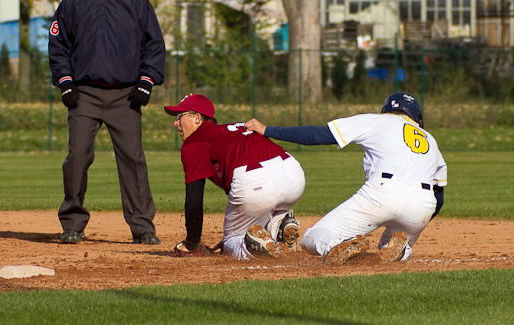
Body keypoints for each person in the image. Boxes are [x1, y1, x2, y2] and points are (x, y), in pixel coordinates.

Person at [48, 0, 166, 245]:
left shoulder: (136, 0)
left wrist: (146, 81)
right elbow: (58, 47)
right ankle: (72, 224)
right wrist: (65, 82)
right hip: (84, 94)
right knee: (77, 157)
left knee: (132, 160)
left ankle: (142, 227)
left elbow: (154, 46)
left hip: (125, 95)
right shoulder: (73, 2)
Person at [245, 92, 447, 265]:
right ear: (417, 118)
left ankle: (337, 245)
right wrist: (416, 220)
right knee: (389, 248)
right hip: (423, 203)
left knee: (311, 237)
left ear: (387, 111)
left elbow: (318, 135)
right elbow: (440, 198)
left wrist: (269, 130)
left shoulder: (376, 121)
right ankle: (404, 252)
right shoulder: (431, 139)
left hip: (384, 192)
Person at [163, 94, 306, 260]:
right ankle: (280, 226)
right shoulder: (229, 129)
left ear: (196, 118)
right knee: (264, 206)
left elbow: (194, 198)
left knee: (232, 240)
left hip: (255, 181)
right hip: (292, 173)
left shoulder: (194, 141)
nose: (175, 123)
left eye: (179, 117)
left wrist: (191, 243)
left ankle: (250, 247)